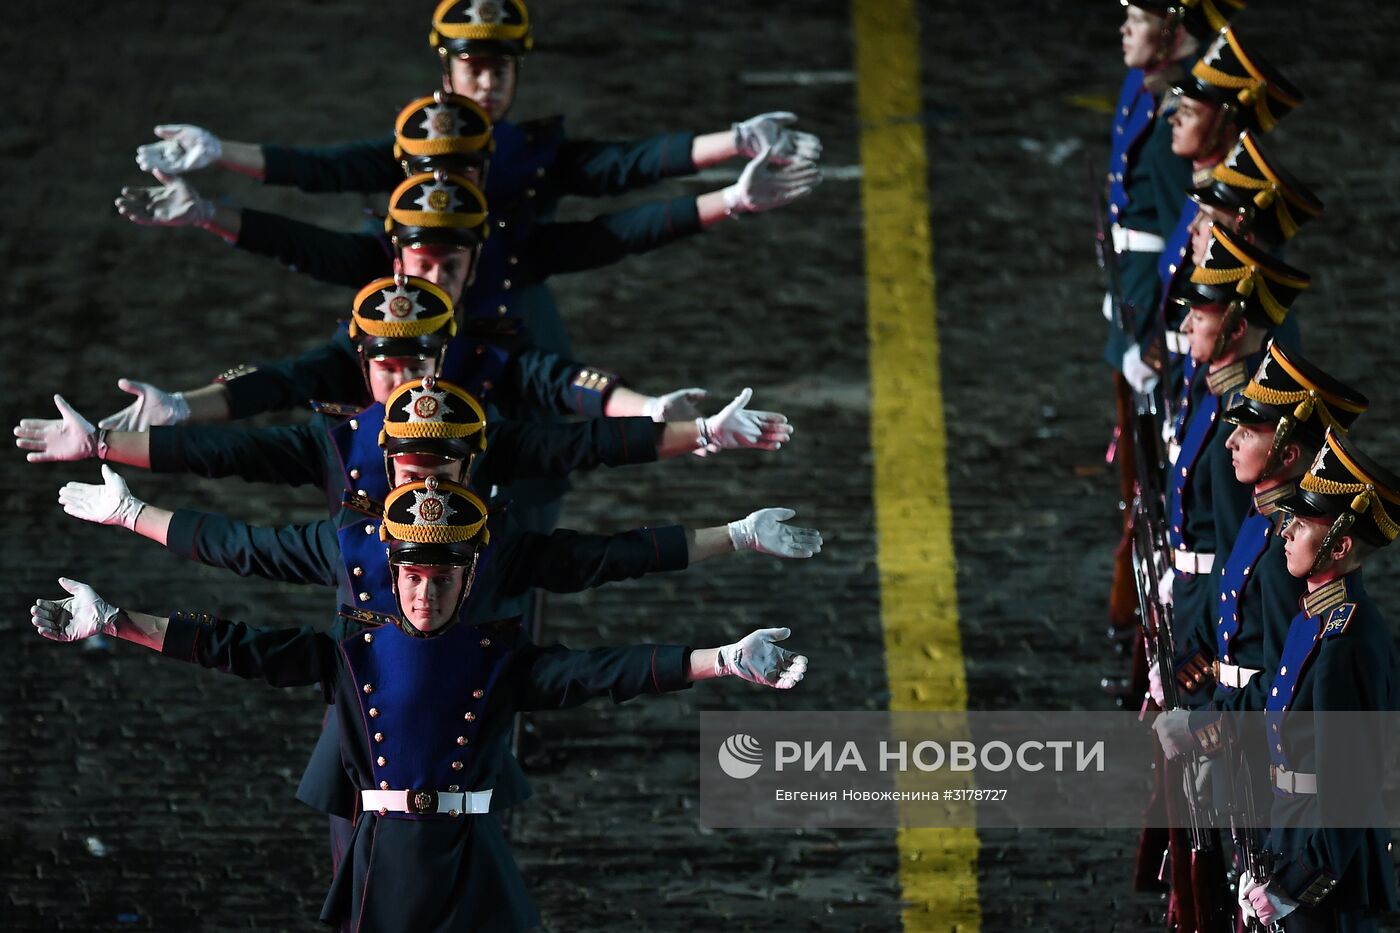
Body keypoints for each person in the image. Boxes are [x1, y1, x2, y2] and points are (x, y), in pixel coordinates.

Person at [30, 476, 811, 931]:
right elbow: (241, 645)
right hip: (389, 855)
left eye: (442, 577)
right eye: (412, 575)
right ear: (393, 574)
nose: (426, 591)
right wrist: (119, 621)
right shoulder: (352, 646)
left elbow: (598, 672)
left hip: (472, 852)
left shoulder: (497, 652)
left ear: (468, 579)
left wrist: (721, 660)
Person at [1237, 429, 1400, 931]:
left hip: (1323, 866)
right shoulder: (1315, 619)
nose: (1284, 533)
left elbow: (1348, 790)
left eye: (1301, 526)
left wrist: (1292, 885)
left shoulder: (1345, 644)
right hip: (1290, 829)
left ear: (1339, 544)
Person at [1162, 225, 1310, 703]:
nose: (1186, 328)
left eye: (1199, 317)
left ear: (1236, 327)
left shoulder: (1237, 420)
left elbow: (1230, 555)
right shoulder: (1223, 398)